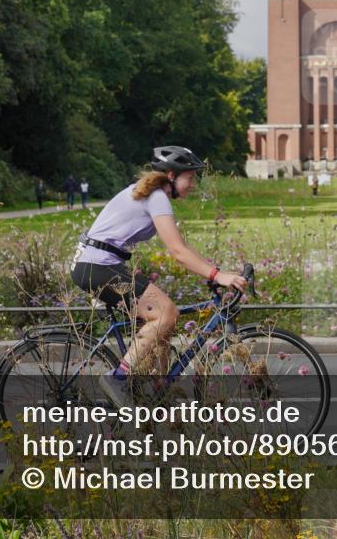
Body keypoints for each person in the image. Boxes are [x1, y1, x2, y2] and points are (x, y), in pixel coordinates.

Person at [70, 146, 248, 407]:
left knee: (162, 322)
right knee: (166, 313)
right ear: (172, 175)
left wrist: (213, 271)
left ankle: (159, 388)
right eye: (191, 177)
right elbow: (177, 251)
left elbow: (183, 246)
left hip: (98, 265)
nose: (194, 184)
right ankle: (117, 378)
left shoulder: (152, 194)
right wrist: (217, 275)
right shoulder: (156, 197)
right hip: (96, 266)